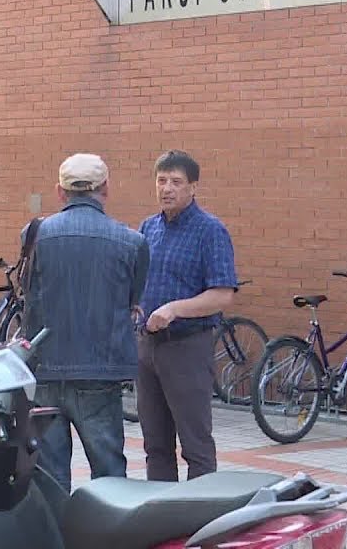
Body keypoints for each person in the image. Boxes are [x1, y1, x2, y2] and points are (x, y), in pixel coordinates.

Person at [22, 153, 149, 493]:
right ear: (106, 188)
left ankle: (56, 527)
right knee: (109, 475)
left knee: (50, 478)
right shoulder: (133, 243)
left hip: (45, 368)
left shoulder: (34, 235)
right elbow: (131, 300)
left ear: (60, 191)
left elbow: (30, 292)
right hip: (100, 370)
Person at [137, 150, 238, 482]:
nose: (167, 188)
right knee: (155, 445)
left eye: (176, 182)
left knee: (196, 446)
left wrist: (174, 309)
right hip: (147, 348)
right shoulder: (148, 228)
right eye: (161, 181)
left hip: (187, 348)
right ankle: (161, 510)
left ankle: (200, 510)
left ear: (193, 187)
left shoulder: (210, 231)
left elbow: (222, 294)